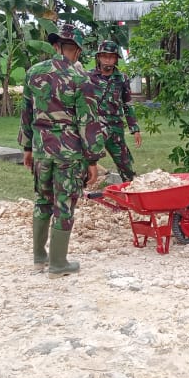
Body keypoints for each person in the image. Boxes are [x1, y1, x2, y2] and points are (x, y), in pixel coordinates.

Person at [22, 23, 104, 278]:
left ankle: (39, 258)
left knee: (42, 200)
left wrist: (27, 147)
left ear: (55, 45)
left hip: (40, 150)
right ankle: (58, 263)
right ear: (77, 50)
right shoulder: (80, 79)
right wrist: (92, 160)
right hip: (68, 153)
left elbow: (26, 114)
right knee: (64, 203)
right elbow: (87, 122)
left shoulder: (33, 73)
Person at [88, 40, 141, 182]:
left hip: (116, 128)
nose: (108, 60)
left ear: (116, 59)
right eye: (104, 56)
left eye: (111, 57)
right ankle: (81, 194)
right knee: (86, 160)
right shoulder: (88, 77)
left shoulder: (121, 78)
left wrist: (134, 128)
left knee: (125, 164)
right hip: (96, 127)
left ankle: (130, 192)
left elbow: (127, 104)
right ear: (98, 57)